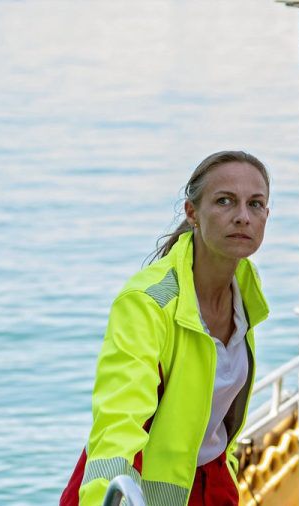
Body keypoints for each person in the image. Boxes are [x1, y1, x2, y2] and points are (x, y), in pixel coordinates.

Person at [61, 151, 271, 506]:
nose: (242, 217)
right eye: (225, 201)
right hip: (134, 491)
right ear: (192, 213)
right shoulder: (147, 303)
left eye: (256, 204)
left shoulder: (247, 289)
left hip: (212, 485)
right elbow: (118, 423)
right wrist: (105, 499)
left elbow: (218, 414)